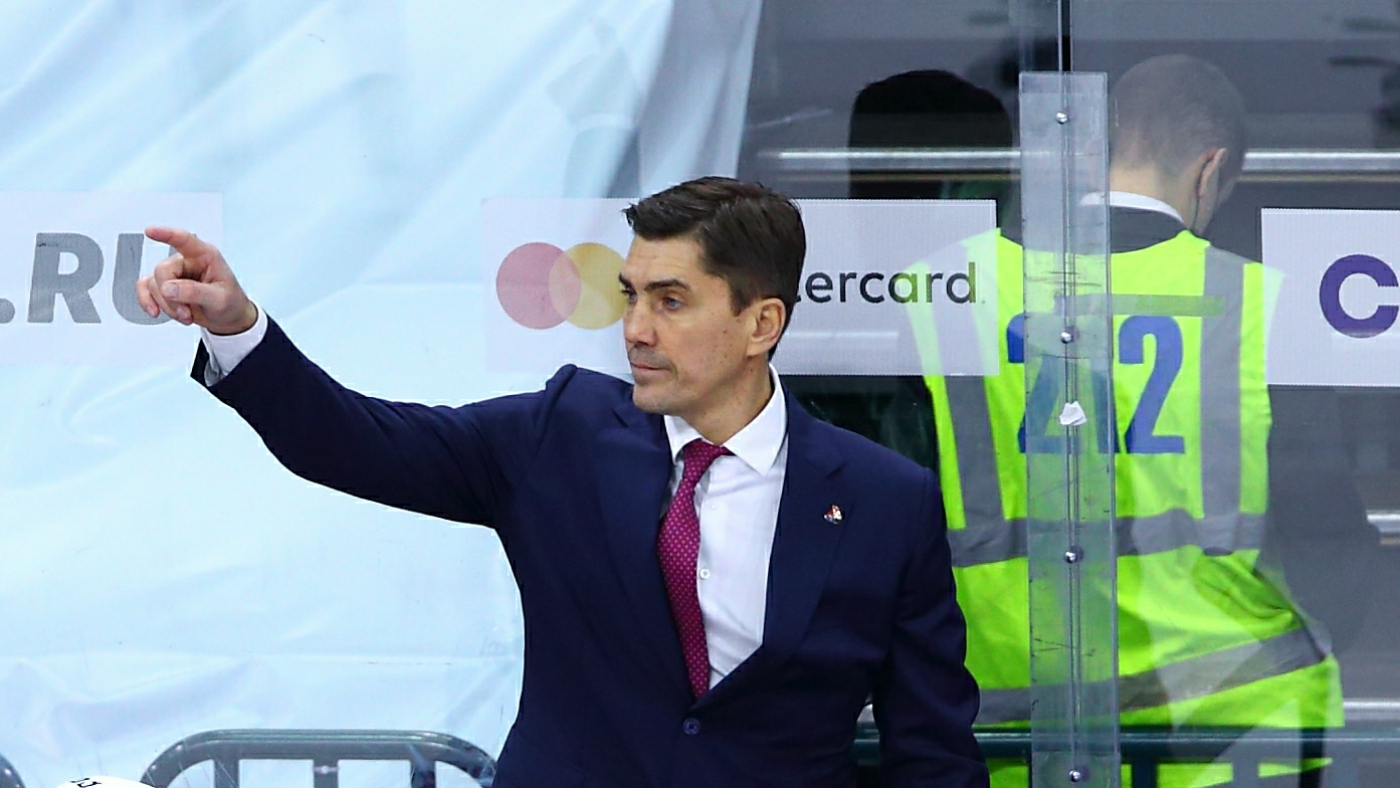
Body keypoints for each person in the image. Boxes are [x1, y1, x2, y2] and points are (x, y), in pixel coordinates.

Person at [135, 177, 990, 788]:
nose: (636, 329)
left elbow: (933, 753)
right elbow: (352, 442)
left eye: (670, 301)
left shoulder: (886, 500)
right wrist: (238, 328)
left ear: (761, 322)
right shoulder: (561, 435)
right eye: (629, 296)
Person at [915, 56, 1356, 787]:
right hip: (1231, 737)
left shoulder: (943, 289)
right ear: (1210, 171)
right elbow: (1329, 542)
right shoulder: (1257, 302)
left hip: (1006, 731)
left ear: (1091, 148)